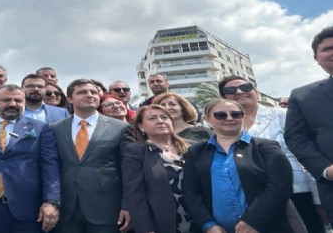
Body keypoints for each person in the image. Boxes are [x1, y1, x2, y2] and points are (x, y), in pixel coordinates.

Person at [219, 75, 323, 232]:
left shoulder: (284, 115)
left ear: (256, 92)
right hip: (252, 197)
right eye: (231, 90)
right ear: (223, 97)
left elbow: (307, 154)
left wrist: (318, 197)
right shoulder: (221, 125)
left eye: (246, 87)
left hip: (296, 190)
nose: (239, 92)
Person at [182, 99, 294, 233]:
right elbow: (190, 192)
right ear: (207, 119)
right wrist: (207, 224)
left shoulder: (266, 147)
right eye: (220, 115)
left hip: (266, 227)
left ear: (243, 117)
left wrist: (253, 221)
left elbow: (279, 186)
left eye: (236, 114)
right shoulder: (195, 152)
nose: (229, 118)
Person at [0, 84, 61, 233]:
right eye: (6, 100)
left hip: (27, 209)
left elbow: (50, 167)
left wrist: (51, 201)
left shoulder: (40, 128)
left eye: (18, 100)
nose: (12, 104)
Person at [51, 79, 132, 233]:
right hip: (67, 210)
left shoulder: (121, 128)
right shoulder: (55, 129)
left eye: (93, 92)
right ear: (69, 99)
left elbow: (129, 170)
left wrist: (127, 204)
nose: (89, 95)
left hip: (107, 208)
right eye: (82, 92)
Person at [285, 26, 333, 224]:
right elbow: (296, 137)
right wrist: (326, 169)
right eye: (327, 48)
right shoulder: (302, 96)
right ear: (316, 58)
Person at [122, 105, 192, 233]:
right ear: (142, 127)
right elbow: (135, 194)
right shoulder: (136, 152)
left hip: (199, 220)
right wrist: (145, 229)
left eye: (165, 117)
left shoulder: (192, 148)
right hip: (163, 223)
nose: (160, 121)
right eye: (152, 118)